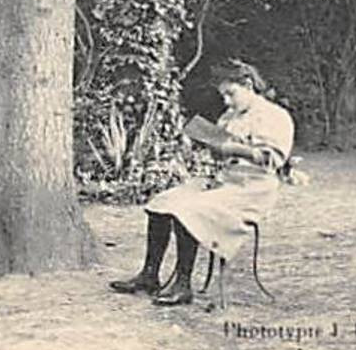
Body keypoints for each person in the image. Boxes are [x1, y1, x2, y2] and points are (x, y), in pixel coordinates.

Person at [109, 60, 295, 307]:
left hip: (252, 188)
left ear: (248, 84)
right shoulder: (230, 116)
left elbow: (273, 158)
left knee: (189, 209)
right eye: (223, 96)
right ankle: (149, 274)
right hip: (225, 180)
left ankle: (183, 285)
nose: (227, 101)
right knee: (161, 202)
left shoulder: (274, 116)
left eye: (231, 94)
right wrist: (212, 146)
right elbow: (220, 150)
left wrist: (234, 148)